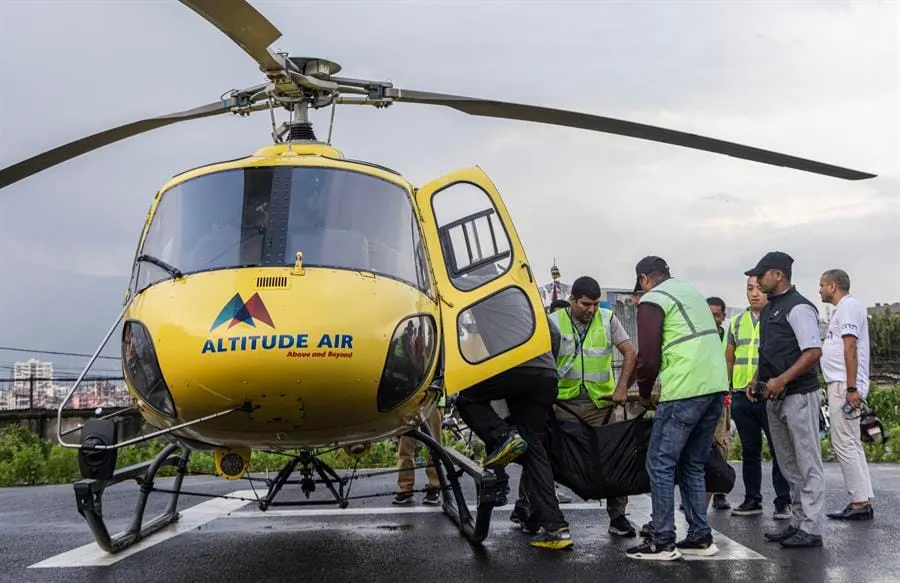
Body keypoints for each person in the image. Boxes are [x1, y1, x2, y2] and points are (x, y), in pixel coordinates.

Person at [453, 263, 572, 550]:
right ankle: (555, 528)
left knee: (467, 399)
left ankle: (504, 437)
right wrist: (544, 366)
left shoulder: (474, 286)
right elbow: (554, 335)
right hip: (545, 374)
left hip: (514, 367)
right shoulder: (523, 293)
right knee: (535, 450)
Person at [625, 256, 728, 561]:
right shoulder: (690, 292)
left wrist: (644, 392)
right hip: (714, 386)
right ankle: (699, 537)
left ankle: (662, 540)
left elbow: (648, 358)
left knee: (659, 462)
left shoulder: (654, 299)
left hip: (685, 389)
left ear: (645, 280)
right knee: (691, 464)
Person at [745, 251, 825, 549]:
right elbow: (769, 352)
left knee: (807, 461)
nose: (756, 280)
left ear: (778, 275)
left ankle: (812, 527)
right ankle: (797, 521)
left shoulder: (799, 307)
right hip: (774, 396)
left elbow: (812, 352)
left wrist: (782, 380)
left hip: (798, 395)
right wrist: (757, 379)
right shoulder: (770, 309)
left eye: (761, 275)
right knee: (789, 463)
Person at [549, 276, 639, 538]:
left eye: (595, 304)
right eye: (586, 304)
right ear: (572, 300)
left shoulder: (607, 318)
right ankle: (543, 514)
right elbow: (542, 362)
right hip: (565, 405)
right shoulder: (554, 323)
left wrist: (622, 388)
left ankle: (618, 517)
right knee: (557, 459)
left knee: (615, 459)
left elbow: (630, 353)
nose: (591, 309)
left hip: (603, 405)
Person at [727, 276, 792, 520]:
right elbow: (729, 358)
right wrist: (730, 388)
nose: (754, 294)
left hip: (770, 393)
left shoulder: (776, 319)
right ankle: (752, 499)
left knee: (779, 449)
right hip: (742, 396)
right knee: (750, 450)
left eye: (758, 289)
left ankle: (783, 501)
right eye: (749, 289)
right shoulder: (736, 323)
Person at [819, 268, 874, 520]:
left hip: (844, 384)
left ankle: (859, 502)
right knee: (851, 442)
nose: (819, 290)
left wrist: (852, 387)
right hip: (843, 383)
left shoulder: (848, 307)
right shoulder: (844, 308)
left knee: (844, 443)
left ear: (832, 285)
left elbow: (850, 346)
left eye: (822, 285)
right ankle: (863, 497)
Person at [706, 296, 732, 511]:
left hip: (722, 399)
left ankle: (719, 491)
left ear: (723, 317)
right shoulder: (697, 338)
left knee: (721, 445)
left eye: (717, 315)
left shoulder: (727, 337)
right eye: (709, 314)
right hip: (701, 398)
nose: (713, 318)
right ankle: (699, 499)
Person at [393, 406, 443, 505]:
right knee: (404, 446)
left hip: (432, 398)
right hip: (410, 400)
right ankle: (406, 488)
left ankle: (434, 486)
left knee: (433, 446)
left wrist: (440, 407)